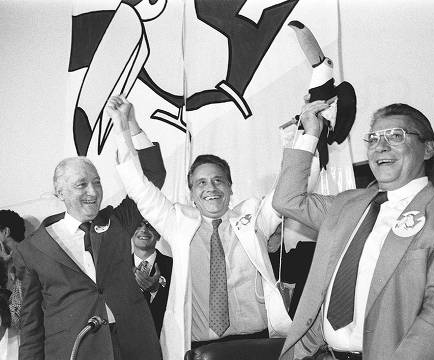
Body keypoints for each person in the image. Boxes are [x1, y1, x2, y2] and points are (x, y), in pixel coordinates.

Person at [273, 100, 434, 360]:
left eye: (396, 136)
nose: (380, 146)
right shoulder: (346, 205)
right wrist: (310, 133)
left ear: (427, 149)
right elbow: (287, 201)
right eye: (372, 138)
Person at [112, 98, 292, 359]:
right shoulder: (177, 221)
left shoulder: (253, 215)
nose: (211, 188)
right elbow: (138, 186)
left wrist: (302, 138)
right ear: (192, 195)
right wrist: (124, 127)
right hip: (199, 349)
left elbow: (290, 190)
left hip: (258, 345)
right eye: (201, 183)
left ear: (231, 188)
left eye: (218, 180)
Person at [13, 96, 165, 360]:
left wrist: (130, 124)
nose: (93, 192)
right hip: (76, 352)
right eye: (81, 184)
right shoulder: (32, 249)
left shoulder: (116, 223)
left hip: (134, 347)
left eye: (96, 182)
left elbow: (152, 176)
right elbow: (32, 324)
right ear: (59, 192)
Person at [132, 218, 172, 338]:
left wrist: (155, 290)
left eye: (150, 226)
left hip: (162, 342)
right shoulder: (117, 268)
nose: (144, 229)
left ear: (159, 234)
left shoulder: (174, 266)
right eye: (138, 225)